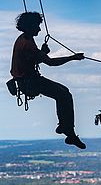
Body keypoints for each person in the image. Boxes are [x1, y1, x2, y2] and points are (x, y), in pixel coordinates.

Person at [10, 12, 86, 149]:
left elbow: (33, 58)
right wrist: (72, 58)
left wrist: (42, 52)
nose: (39, 29)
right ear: (30, 26)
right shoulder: (27, 44)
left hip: (26, 80)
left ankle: (66, 128)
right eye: (37, 26)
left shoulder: (24, 38)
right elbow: (50, 63)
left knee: (64, 93)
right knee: (64, 95)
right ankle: (69, 132)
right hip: (29, 82)